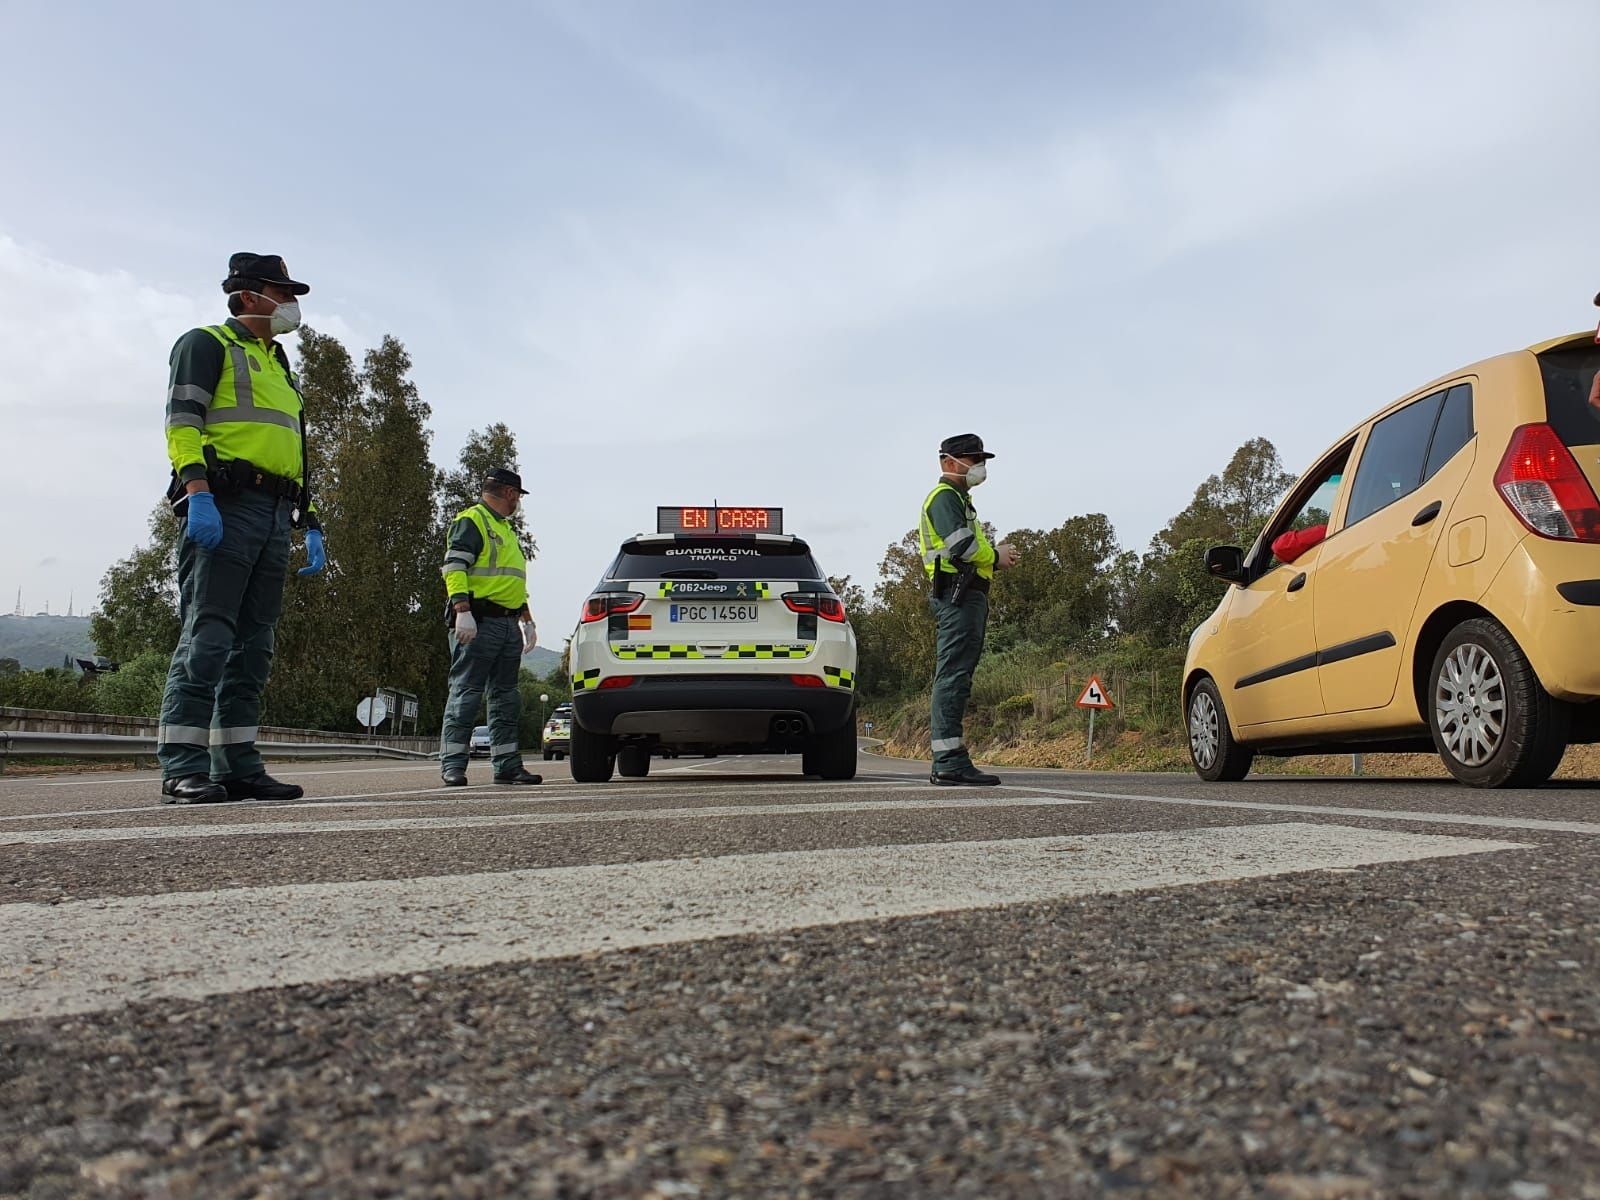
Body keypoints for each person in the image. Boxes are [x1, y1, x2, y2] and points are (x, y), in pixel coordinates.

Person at [157, 253, 327, 805]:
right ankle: (182, 765)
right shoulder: (206, 344)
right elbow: (182, 423)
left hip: (276, 513)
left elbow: (291, 446)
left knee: (255, 647)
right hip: (225, 505)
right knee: (209, 636)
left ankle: (238, 765)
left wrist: (311, 518)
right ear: (249, 295)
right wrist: (197, 492)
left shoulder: (279, 364)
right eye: (283, 292)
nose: (291, 304)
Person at [918, 434, 1019, 786]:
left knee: (959, 676)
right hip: (957, 596)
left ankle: (952, 760)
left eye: (981, 459)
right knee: (953, 677)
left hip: (966, 595)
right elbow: (961, 546)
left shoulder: (958, 498)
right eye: (972, 458)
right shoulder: (945, 497)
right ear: (948, 461)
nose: (979, 465)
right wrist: (995, 555)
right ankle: (948, 762)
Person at [438, 468, 542, 787]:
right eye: (518, 497)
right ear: (510, 493)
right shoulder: (472, 520)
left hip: (508, 623)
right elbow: (454, 566)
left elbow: (511, 580)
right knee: (466, 693)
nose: (518, 504)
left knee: (505, 698)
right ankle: (453, 764)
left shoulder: (505, 529)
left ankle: (507, 765)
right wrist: (461, 610)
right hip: (478, 622)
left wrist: (526, 619)